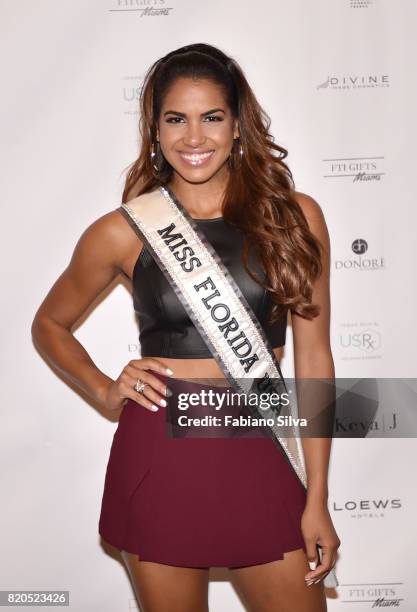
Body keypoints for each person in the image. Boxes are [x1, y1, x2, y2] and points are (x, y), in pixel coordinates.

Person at [31, 43, 340, 612]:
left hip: (261, 445)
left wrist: (317, 495)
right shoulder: (124, 231)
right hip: (162, 452)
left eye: (211, 117)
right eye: (176, 119)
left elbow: (315, 360)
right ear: (155, 128)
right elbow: (50, 324)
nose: (193, 138)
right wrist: (104, 387)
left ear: (237, 124)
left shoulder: (296, 216)